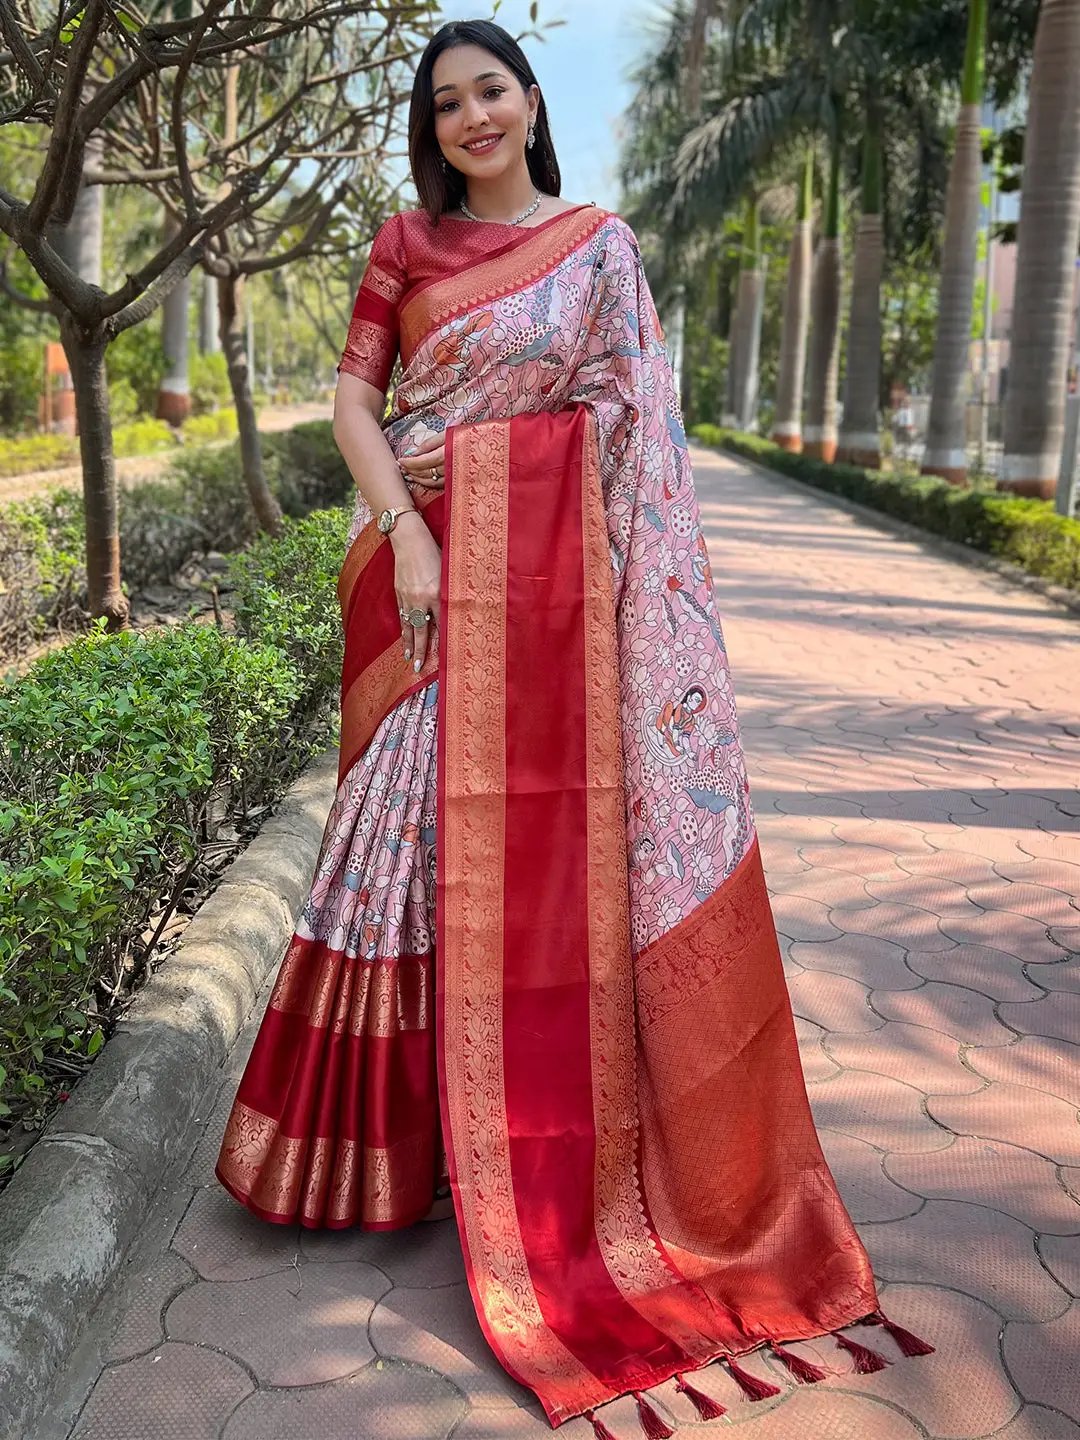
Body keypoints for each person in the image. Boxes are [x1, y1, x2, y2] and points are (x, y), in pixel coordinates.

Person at [216, 18, 932, 1434]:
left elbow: (637, 438)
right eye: (446, 103)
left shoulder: (601, 250)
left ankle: (521, 1160)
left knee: (536, 881)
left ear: (533, 101)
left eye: (491, 90)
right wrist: (408, 533)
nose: (471, 116)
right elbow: (355, 399)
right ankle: (376, 1154)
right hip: (427, 584)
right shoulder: (407, 248)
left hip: (556, 606)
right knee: (397, 845)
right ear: (431, 129)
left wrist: (604, 604)